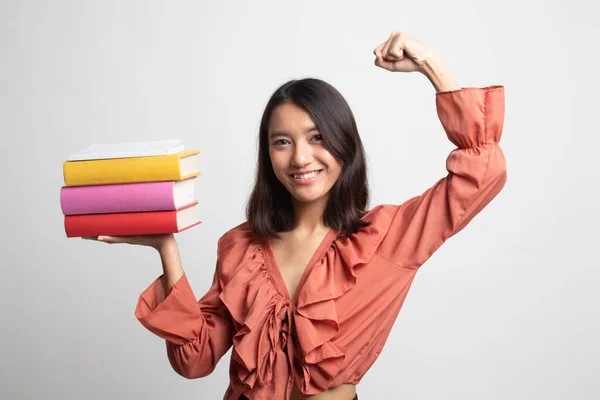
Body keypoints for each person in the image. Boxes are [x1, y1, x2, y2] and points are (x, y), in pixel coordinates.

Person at [84, 32, 507, 400]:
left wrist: (430, 65)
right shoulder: (239, 247)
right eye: (282, 141)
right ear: (267, 154)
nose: (300, 157)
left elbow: (483, 170)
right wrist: (166, 248)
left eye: (317, 137)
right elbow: (194, 361)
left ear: (345, 145)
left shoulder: (388, 236)